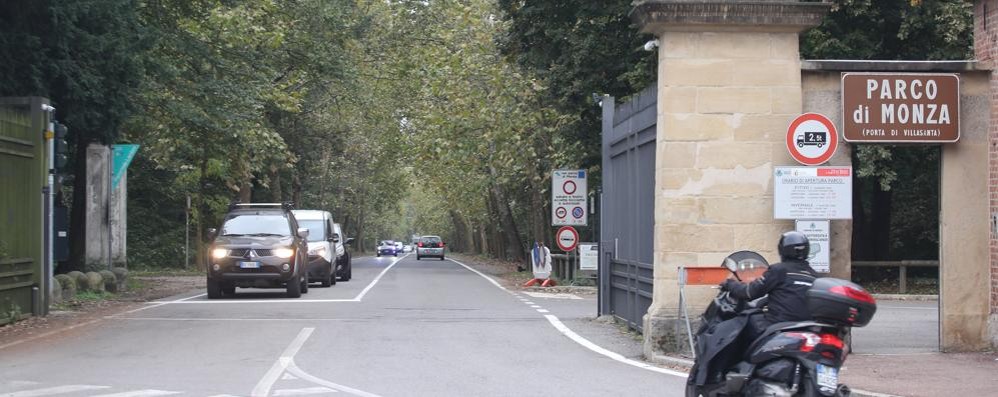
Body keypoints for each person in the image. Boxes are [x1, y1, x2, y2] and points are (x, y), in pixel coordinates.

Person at [720, 231, 818, 342]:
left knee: (744, 321)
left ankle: (740, 359)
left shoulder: (779, 270)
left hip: (779, 324)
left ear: (782, 250)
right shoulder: (815, 276)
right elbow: (792, 293)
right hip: (807, 329)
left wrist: (730, 284)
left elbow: (749, 292)